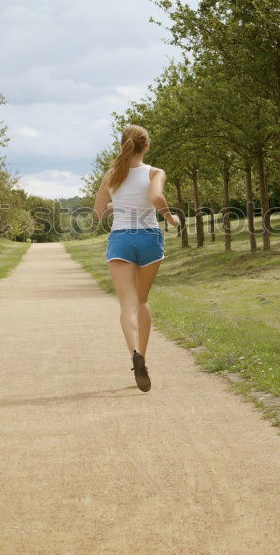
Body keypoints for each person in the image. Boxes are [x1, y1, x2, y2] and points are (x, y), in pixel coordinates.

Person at [93, 124, 180, 392]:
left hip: (121, 239)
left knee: (127, 303)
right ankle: (144, 353)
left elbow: (97, 213)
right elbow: (155, 196)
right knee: (142, 300)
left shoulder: (111, 174)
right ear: (147, 146)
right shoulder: (155, 172)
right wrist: (171, 218)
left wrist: (115, 206)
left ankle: (134, 354)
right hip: (149, 238)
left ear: (122, 145)